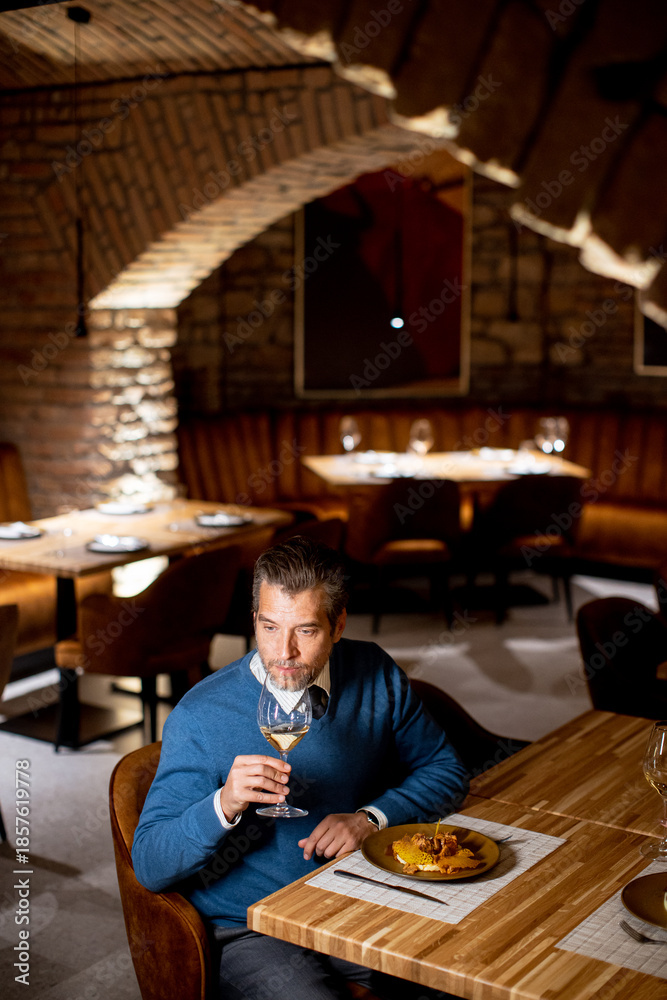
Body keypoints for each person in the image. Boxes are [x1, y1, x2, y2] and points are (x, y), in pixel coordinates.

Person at [132, 536, 469, 999]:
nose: (284, 652)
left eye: (306, 631)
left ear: (338, 624)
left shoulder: (374, 671)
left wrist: (371, 819)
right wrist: (223, 804)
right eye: (269, 627)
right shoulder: (200, 715)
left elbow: (445, 770)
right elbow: (149, 864)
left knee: (457, 973)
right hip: (251, 925)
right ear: (254, 618)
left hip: (354, 896)